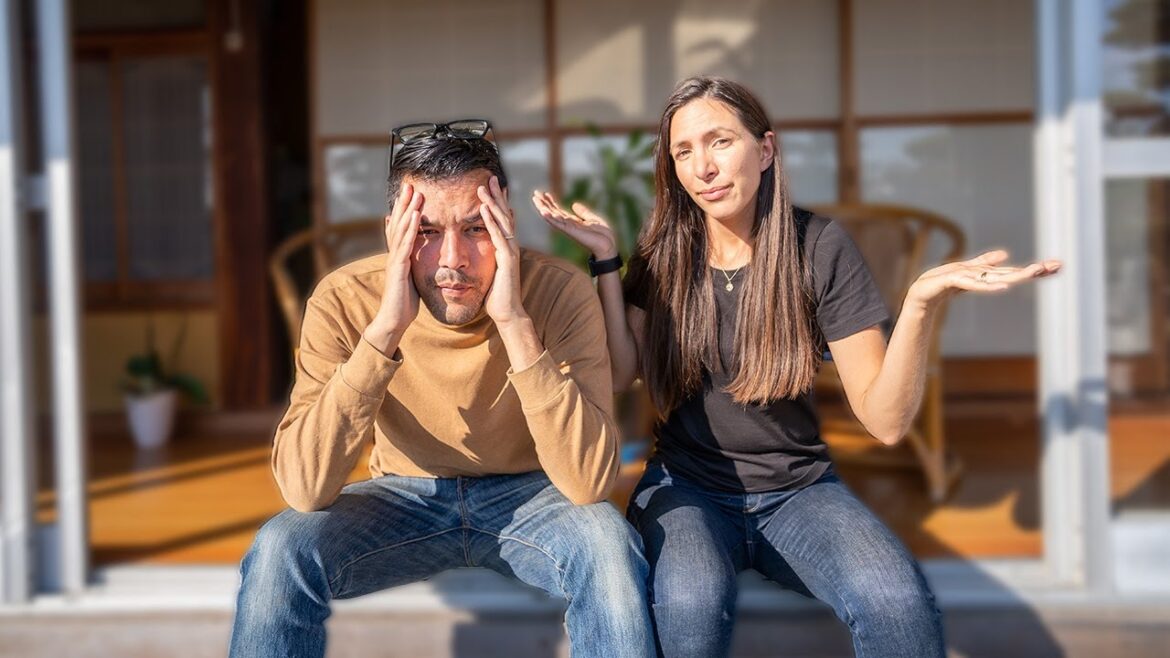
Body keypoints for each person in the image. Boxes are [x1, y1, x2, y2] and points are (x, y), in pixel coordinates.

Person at [534, 77, 1060, 658]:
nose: (703, 167)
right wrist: (607, 261)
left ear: (765, 150)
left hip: (798, 489)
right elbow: (618, 374)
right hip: (687, 487)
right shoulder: (664, 255)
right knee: (688, 608)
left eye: (720, 142)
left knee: (898, 604)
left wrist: (919, 303)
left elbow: (885, 423)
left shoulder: (819, 246)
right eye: (683, 151)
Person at [229, 120, 655, 658]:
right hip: (404, 495)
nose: (452, 259)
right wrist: (384, 331)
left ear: (508, 226)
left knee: (609, 545)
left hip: (532, 494)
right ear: (394, 232)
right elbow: (304, 487)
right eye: (426, 232)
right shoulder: (343, 299)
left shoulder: (558, 291)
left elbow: (590, 482)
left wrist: (514, 321)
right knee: (278, 549)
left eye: (477, 229)